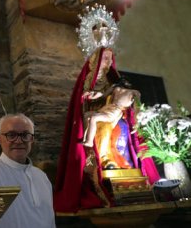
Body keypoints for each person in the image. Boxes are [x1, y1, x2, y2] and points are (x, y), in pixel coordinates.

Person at [54, 47, 160, 213]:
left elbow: (128, 101)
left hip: (113, 115)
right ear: (95, 60)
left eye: (111, 58)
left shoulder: (114, 80)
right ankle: (104, 159)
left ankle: (117, 161)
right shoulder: (88, 79)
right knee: (96, 122)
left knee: (117, 127)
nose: (109, 62)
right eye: (105, 58)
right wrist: (90, 97)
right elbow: (81, 103)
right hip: (98, 114)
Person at [0, 113, 56, 228]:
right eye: (11, 135)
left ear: (31, 139)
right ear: (0, 139)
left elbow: (49, 221)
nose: (18, 141)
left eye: (25, 135)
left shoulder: (41, 177)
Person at [82, 78, 141, 148]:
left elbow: (137, 108)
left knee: (94, 118)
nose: (125, 82)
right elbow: (103, 95)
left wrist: (137, 123)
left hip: (115, 111)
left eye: (127, 81)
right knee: (86, 115)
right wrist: (92, 93)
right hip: (107, 108)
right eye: (124, 80)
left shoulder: (134, 92)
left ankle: (90, 141)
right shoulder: (116, 88)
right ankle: (84, 137)